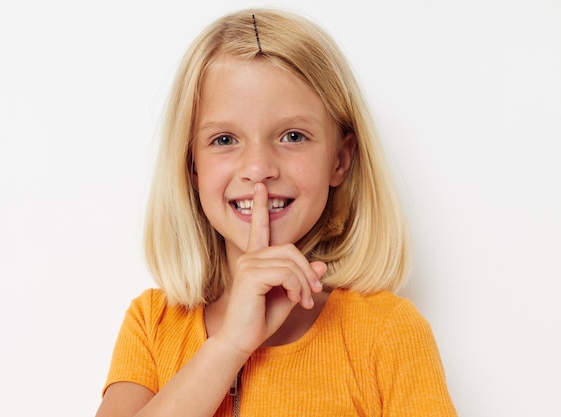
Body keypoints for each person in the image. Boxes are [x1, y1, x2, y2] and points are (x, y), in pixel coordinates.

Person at [95, 8, 457, 417]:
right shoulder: (152, 323)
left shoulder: (388, 331)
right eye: (225, 139)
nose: (258, 169)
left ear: (340, 159)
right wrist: (230, 344)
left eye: (293, 136)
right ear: (191, 165)